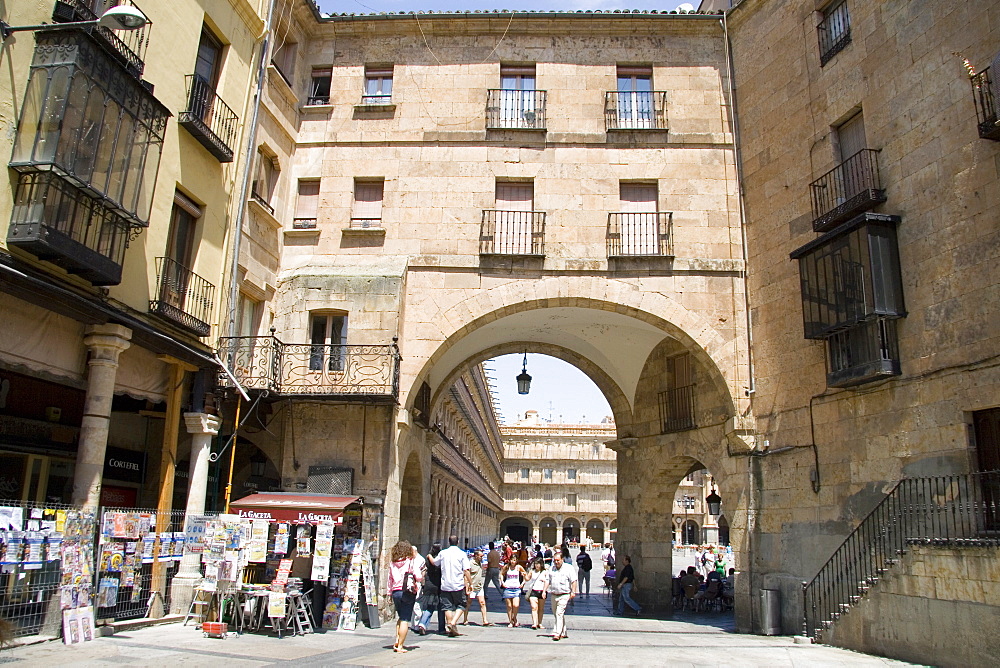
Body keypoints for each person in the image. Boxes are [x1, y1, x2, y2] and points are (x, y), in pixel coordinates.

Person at [386, 540, 422, 653]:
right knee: (405, 619)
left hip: (396, 592)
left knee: (400, 617)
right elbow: (419, 576)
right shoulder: (410, 562)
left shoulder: (393, 563)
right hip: (407, 591)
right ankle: (400, 645)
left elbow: (389, 580)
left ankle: (397, 640)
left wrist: (388, 594)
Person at [437, 535, 472, 637]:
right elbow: (466, 570)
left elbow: (435, 563)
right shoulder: (462, 554)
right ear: (458, 542)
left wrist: (430, 556)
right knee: (462, 604)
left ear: (448, 542)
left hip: (445, 584)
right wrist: (470, 582)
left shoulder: (443, 553)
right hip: (458, 585)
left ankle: (450, 625)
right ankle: (453, 623)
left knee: (447, 606)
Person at [547, 550, 578, 640]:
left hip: (564, 594)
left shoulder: (569, 568)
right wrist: (544, 590)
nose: (556, 562)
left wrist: (573, 592)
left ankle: (557, 633)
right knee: (556, 614)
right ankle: (564, 632)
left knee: (559, 613)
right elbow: (547, 580)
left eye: (558, 560)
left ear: (562, 559)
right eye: (555, 560)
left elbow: (574, 580)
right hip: (554, 594)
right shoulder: (551, 568)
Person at [459, 549, 493, 626]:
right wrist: (467, 586)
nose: (482, 557)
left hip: (479, 587)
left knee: (482, 603)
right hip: (472, 587)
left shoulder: (480, 563)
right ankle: (465, 619)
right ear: (476, 556)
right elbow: (465, 575)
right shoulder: (470, 563)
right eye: (481, 556)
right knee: (468, 603)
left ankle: (485, 620)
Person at [414, 543, 442, 635]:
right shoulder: (440, 560)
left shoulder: (427, 559)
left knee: (429, 605)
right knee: (437, 606)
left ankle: (423, 623)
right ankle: (440, 627)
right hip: (437, 585)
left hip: (428, 584)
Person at [500, 553, 528, 627]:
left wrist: (523, 583)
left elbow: (526, 574)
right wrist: (502, 582)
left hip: (516, 588)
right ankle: (510, 621)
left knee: (516, 605)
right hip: (508, 588)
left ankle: (514, 617)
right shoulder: (507, 567)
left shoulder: (518, 567)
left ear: (516, 561)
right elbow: (501, 574)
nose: (513, 562)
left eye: (514, 560)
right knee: (509, 606)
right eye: (512, 560)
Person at [524, 558, 549, 629]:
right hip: (533, 591)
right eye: (535, 564)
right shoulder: (532, 571)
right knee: (534, 607)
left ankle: (539, 623)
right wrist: (524, 574)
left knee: (541, 608)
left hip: (541, 591)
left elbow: (547, 582)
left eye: (538, 564)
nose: (537, 565)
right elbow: (527, 578)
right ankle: (534, 623)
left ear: (541, 564)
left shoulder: (544, 572)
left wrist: (544, 591)